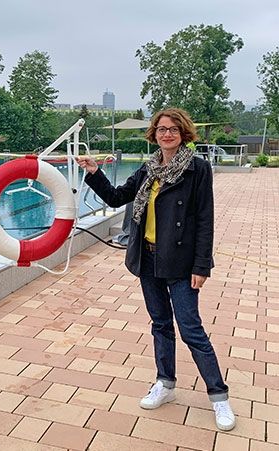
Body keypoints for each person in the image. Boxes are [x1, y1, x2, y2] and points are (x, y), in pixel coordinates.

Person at [76, 108, 235, 431]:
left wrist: (202, 265)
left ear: (183, 133)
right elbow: (118, 197)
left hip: (181, 261)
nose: (167, 134)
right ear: (154, 134)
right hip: (147, 258)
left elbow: (205, 219)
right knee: (160, 325)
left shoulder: (197, 169)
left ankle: (219, 396)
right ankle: (166, 382)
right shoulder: (149, 169)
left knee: (191, 329)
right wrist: (94, 172)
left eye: (173, 129)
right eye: (161, 129)